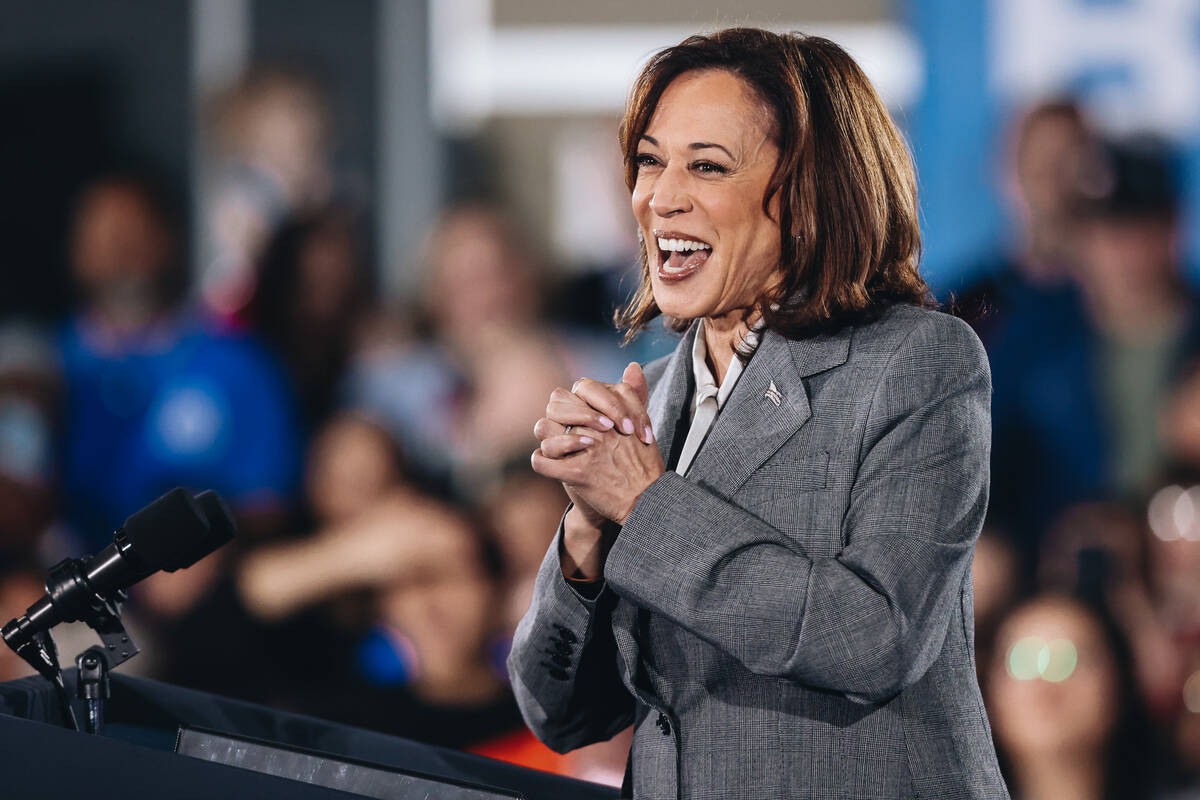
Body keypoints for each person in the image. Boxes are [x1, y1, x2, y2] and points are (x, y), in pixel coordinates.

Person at [508, 28, 1006, 798]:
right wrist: (586, 537)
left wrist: (643, 505)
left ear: (810, 193)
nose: (659, 196)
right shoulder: (657, 393)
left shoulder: (914, 363)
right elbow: (561, 716)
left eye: (707, 165)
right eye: (649, 160)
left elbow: (874, 636)